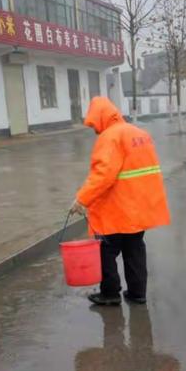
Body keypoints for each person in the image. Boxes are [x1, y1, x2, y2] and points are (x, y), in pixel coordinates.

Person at [71, 97, 170, 306]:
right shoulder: (140, 134)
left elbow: (103, 174)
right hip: (139, 207)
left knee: (105, 250)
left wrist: (82, 199)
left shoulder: (110, 137)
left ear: (101, 117)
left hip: (117, 208)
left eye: (94, 124)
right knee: (134, 248)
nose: (95, 130)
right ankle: (137, 293)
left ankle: (110, 294)